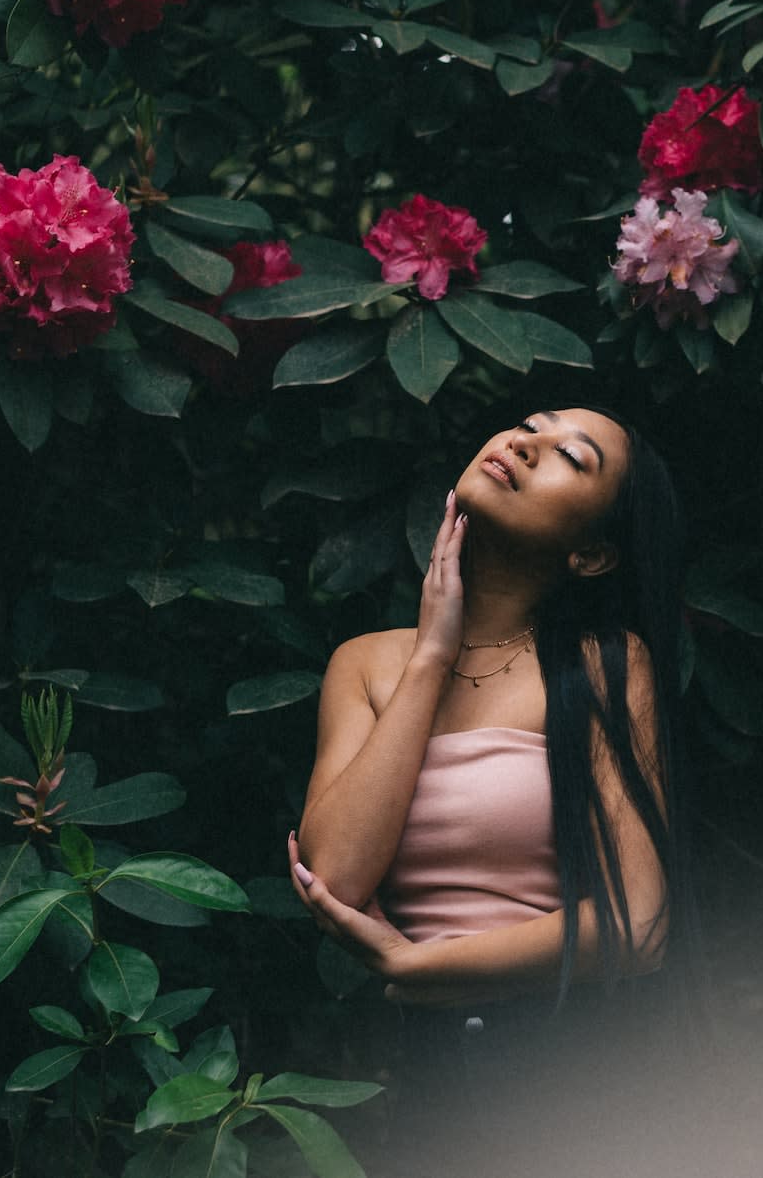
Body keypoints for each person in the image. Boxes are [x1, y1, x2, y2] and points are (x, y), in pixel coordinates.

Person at [285, 406, 692, 1175]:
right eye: (528, 425)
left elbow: (640, 925)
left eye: (570, 455)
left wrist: (419, 968)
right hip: (427, 1083)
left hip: (571, 1076)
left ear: (593, 556)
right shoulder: (365, 665)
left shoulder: (605, 665)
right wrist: (432, 656)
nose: (525, 442)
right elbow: (332, 877)